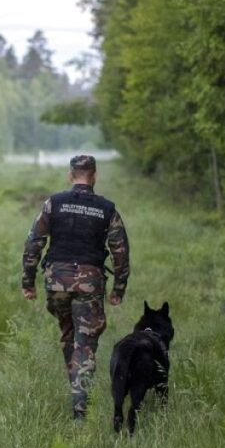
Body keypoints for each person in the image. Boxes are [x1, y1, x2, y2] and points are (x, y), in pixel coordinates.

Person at [21, 154, 130, 420]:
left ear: (71, 175)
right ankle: (80, 409)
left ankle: (76, 386)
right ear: (94, 175)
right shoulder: (107, 209)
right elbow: (121, 253)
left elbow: (34, 243)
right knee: (85, 344)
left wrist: (28, 281)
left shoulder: (53, 204)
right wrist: (119, 289)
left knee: (69, 334)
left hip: (56, 283)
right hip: (89, 285)